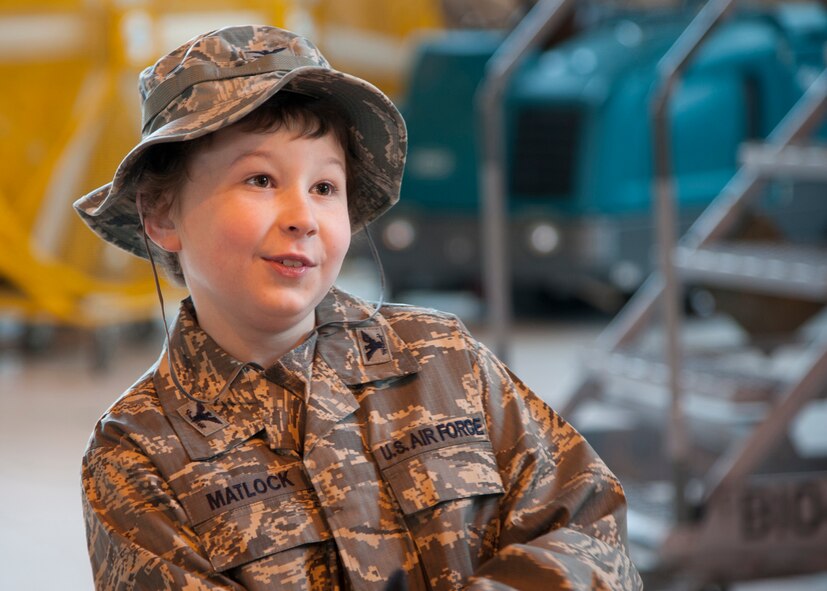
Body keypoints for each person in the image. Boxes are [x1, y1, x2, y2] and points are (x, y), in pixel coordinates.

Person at [75, 24, 643, 591]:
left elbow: (590, 530)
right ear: (162, 215)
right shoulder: (138, 453)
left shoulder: (441, 358)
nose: (303, 216)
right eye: (260, 179)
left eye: (325, 187)